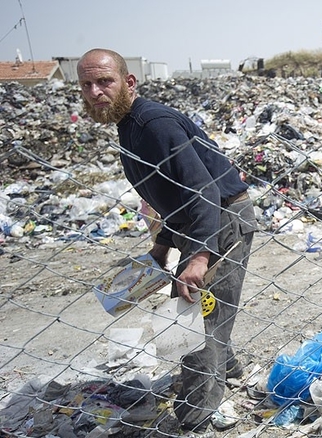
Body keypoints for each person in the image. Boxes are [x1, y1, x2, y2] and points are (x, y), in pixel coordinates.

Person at [77, 48, 257, 435]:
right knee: (202, 311)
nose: (95, 92)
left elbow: (202, 191)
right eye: (86, 85)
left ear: (129, 82)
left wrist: (198, 257)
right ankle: (231, 371)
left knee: (198, 318)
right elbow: (172, 196)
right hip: (199, 222)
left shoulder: (154, 124)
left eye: (104, 81)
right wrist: (162, 246)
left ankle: (195, 419)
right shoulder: (128, 126)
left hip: (222, 219)